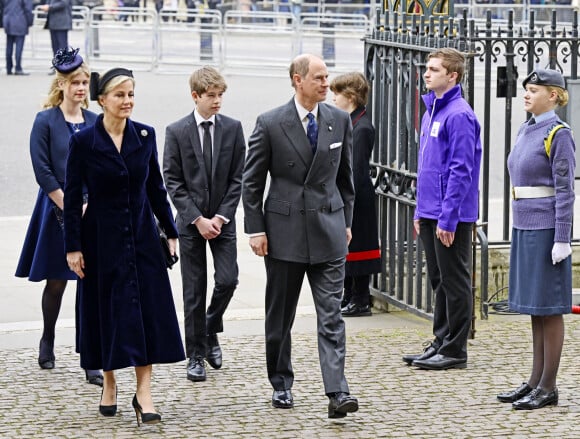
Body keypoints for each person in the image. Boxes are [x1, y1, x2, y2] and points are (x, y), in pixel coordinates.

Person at [63, 67, 185, 425]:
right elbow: (71, 199)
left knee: (144, 313)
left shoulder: (145, 135)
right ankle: (110, 382)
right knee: (107, 314)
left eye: (131, 94)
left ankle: (144, 393)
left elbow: (156, 188)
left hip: (142, 239)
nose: (128, 101)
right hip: (99, 240)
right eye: (120, 95)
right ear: (101, 100)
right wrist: (73, 248)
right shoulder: (83, 142)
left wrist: (171, 229)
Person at [242, 53, 359, 419]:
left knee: (331, 317)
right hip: (284, 234)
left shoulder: (339, 121)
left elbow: (347, 180)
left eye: (327, 78)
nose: (327, 84)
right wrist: (256, 228)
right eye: (320, 78)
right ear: (298, 80)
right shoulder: (271, 122)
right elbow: (252, 181)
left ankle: (337, 392)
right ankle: (281, 382)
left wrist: (347, 222)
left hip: (329, 231)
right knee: (280, 318)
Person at [15, 47, 103, 386]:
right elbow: (42, 169)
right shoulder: (46, 121)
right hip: (55, 208)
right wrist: (68, 203)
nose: (81, 88)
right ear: (62, 85)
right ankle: (48, 337)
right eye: (75, 83)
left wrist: (89, 201)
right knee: (57, 282)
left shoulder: (95, 122)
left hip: (90, 208)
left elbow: (102, 165)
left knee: (88, 283)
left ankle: (90, 358)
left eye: (85, 82)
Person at [497, 68, 575, 410]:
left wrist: (562, 238)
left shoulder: (558, 133)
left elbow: (565, 191)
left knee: (549, 308)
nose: (526, 95)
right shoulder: (526, 129)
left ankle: (548, 386)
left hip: (546, 229)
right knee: (533, 307)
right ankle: (534, 380)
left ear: (554, 95)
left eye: (534, 90)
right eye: (526, 90)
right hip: (524, 224)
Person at [163, 66, 245, 383]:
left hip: (222, 221)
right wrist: (197, 219)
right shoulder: (177, 131)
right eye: (211, 96)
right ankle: (195, 354)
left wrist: (220, 217)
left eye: (220, 95)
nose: (217, 101)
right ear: (195, 96)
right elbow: (172, 181)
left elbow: (238, 178)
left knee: (228, 280)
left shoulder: (233, 128)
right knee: (193, 291)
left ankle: (209, 328)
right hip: (190, 222)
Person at [402, 48, 482, 371]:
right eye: (427, 68)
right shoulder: (431, 111)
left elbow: (461, 170)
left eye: (434, 69)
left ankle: (455, 349)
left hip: (452, 215)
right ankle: (441, 339)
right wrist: (421, 211)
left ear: (453, 75)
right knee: (439, 279)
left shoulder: (459, 115)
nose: (426, 73)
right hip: (432, 211)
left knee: (454, 279)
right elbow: (428, 167)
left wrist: (447, 218)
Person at [330, 72, 381, 317]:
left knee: (359, 248)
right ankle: (348, 295)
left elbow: (357, 170)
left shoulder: (361, 127)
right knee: (347, 250)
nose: (333, 99)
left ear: (350, 96)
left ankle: (361, 299)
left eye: (336, 94)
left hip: (357, 197)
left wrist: (344, 197)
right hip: (349, 195)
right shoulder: (350, 121)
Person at [2, 0, 33, 75]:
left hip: (8, 22)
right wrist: (30, 22)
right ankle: (18, 68)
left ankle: (8, 68)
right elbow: (28, 10)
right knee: (19, 47)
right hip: (20, 21)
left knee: (9, 46)